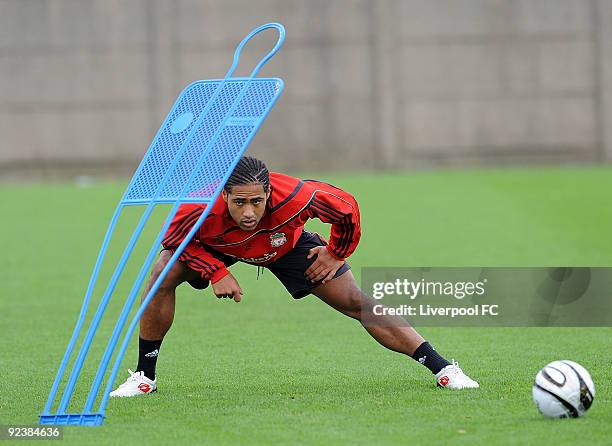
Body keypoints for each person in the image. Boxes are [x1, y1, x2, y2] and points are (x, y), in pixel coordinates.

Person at [110, 156, 478, 397]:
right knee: (162, 271)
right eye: (239, 203)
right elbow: (173, 242)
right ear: (224, 196)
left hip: (285, 245)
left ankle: (443, 368)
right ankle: (145, 378)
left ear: (269, 192)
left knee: (355, 302)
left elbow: (346, 207)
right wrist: (216, 270)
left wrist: (336, 252)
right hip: (221, 247)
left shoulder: (298, 196)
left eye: (257, 201)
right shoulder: (196, 207)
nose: (249, 211)